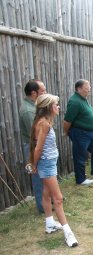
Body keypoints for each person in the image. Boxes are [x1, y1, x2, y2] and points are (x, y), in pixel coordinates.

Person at [29, 94, 78, 247]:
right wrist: (34, 164)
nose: (58, 107)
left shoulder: (43, 121)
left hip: (48, 163)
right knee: (58, 198)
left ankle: (50, 224)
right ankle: (68, 233)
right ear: (49, 107)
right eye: (56, 104)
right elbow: (38, 148)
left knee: (46, 193)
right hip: (46, 165)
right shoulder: (44, 124)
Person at [63, 80, 93, 185]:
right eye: (87, 86)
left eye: (89, 86)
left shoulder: (83, 99)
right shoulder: (74, 102)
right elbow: (67, 121)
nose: (90, 88)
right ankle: (81, 179)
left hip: (90, 132)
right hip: (80, 133)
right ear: (79, 89)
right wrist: (66, 132)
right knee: (80, 155)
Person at [19, 80, 46, 213]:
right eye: (43, 91)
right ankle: (42, 206)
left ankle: (47, 201)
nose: (45, 93)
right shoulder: (28, 111)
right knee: (37, 176)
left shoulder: (34, 106)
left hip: (37, 145)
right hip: (33, 147)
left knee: (44, 174)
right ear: (34, 93)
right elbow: (36, 135)